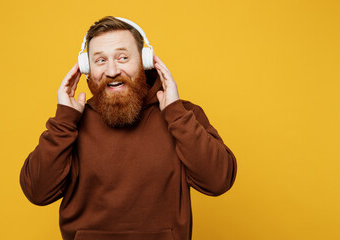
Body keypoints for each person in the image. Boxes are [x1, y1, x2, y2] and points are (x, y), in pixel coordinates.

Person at [20, 16, 237, 240]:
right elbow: (37, 192)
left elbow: (218, 181)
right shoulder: (70, 123)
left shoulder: (181, 115)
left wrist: (175, 113)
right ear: (86, 68)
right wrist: (64, 121)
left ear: (145, 62)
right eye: (100, 60)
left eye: (123, 57)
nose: (112, 70)